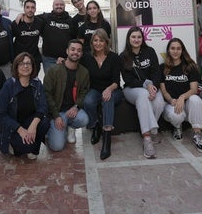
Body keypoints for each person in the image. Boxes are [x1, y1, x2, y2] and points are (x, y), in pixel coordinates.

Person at [119, 26, 165, 159]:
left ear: (142, 38)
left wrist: (153, 86)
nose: (136, 39)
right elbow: (128, 80)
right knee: (144, 95)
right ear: (128, 39)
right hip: (132, 90)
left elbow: (156, 72)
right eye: (133, 37)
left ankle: (150, 130)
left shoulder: (150, 51)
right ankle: (147, 138)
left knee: (159, 102)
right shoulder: (123, 56)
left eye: (139, 37)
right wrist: (145, 84)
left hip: (151, 87)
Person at [0, 52, 50, 159]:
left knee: (45, 122)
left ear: (33, 67)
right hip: (12, 127)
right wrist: (20, 129)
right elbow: (1, 114)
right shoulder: (9, 85)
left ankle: (32, 145)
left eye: (28, 63)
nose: (25, 66)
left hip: (29, 122)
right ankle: (20, 145)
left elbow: (43, 106)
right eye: (22, 64)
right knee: (22, 149)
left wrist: (33, 126)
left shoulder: (37, 83)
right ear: (16, 66)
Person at [159, 38, 202, 153]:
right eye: (172, 48)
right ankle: (177, 127)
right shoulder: (162, 67)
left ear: (182, 50)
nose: (175, 51)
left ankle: (197, 135)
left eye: (178, 48)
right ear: (168, 50)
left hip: (186, 104)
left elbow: (194, 89)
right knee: (176, 116)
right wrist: (171, 100)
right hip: (171, 104)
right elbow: (163, 90)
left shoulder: (190, 66)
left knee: (196, 100)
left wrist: (182, 97)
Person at [80, 29, 123, 160]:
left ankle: (107, 138)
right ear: (92, 42)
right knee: (88, 101)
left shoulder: (114, 57)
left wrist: (109, 89)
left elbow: (116, 81)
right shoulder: (87, 57)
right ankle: (95, 125)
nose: (98, 43)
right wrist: (62, 61)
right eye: (95, 40)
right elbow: (74, 64)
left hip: (113, 90)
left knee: (107, 100)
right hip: (95, 90)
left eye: (101, 40)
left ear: (106, 42)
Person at [44, 39, 90, 152]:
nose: (75, 52)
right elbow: (47, 94)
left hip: (71, 111)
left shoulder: (84, 72)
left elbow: (84, 92)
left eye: (79, 50)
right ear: (67, 51)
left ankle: (70, 127)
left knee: (84, 119)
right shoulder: (54, 70)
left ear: (82, 54)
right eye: (73, 49)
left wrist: (76, 106)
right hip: (56, 112)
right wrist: (56, 115)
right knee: (57, 147)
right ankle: (50, 130)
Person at [40, 0, 75, 73]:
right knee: (50, 82)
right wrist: (21, 14)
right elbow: (31, 17)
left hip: (66, 59)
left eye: (61, 4)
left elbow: (74, 39)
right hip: (48, 59)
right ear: (52, 6)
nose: (59, 6)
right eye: (57, 4)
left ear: (64, 6)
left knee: (65, 83)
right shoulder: (45, 17)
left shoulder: (70, 20)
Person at [11, 0, 44, 74]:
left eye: (32, 7)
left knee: (33, 83)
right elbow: (9, 40)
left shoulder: (40, 22)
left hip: (34, 60)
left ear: (35, 9)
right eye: (28, 7)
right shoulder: (16, 23)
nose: (30, 10)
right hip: (19, 59)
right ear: (24, 9)